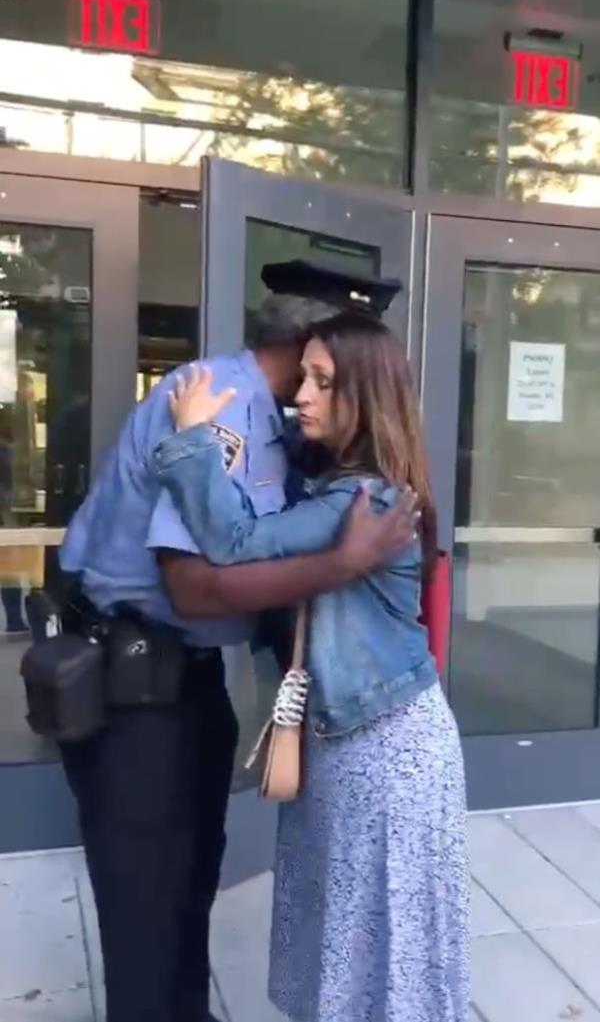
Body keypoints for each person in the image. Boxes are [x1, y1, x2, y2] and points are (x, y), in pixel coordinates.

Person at [58, 261, 419, 1022]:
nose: (323, 388)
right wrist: (343, 561)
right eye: (329, 360)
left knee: (187, 885)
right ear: (311, 343)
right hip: (137, 687)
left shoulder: (263, 411)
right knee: (149, 910)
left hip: (179, 677)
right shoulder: (227, 409)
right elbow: (197, 582)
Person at [153, 310, 470, 1022]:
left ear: (365, 395)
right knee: (358, 946)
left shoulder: (367, 499)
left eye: (323, 382)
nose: (302, 394)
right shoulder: (359, 484)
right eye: (303, 377)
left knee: (379, 957)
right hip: (362, 745)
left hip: (384, 757)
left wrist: (193, 437)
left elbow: (232, 540)